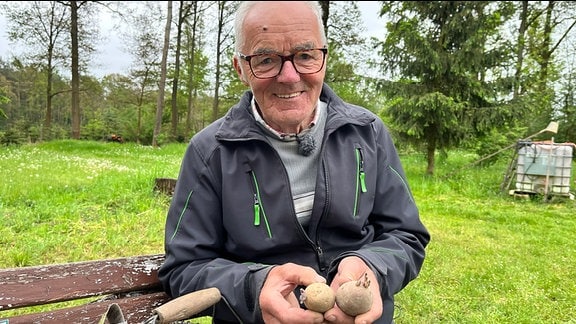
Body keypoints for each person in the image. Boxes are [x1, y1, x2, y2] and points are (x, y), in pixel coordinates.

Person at [158, 1, 430, 323]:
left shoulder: (366, 134)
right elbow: (184, 268)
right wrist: (255, 289)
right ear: (240, 69)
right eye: (266, 59)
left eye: (305, 56)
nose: (289, 76)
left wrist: (370, 268)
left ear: (324, 58)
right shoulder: (210, 152)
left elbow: (406, 236)